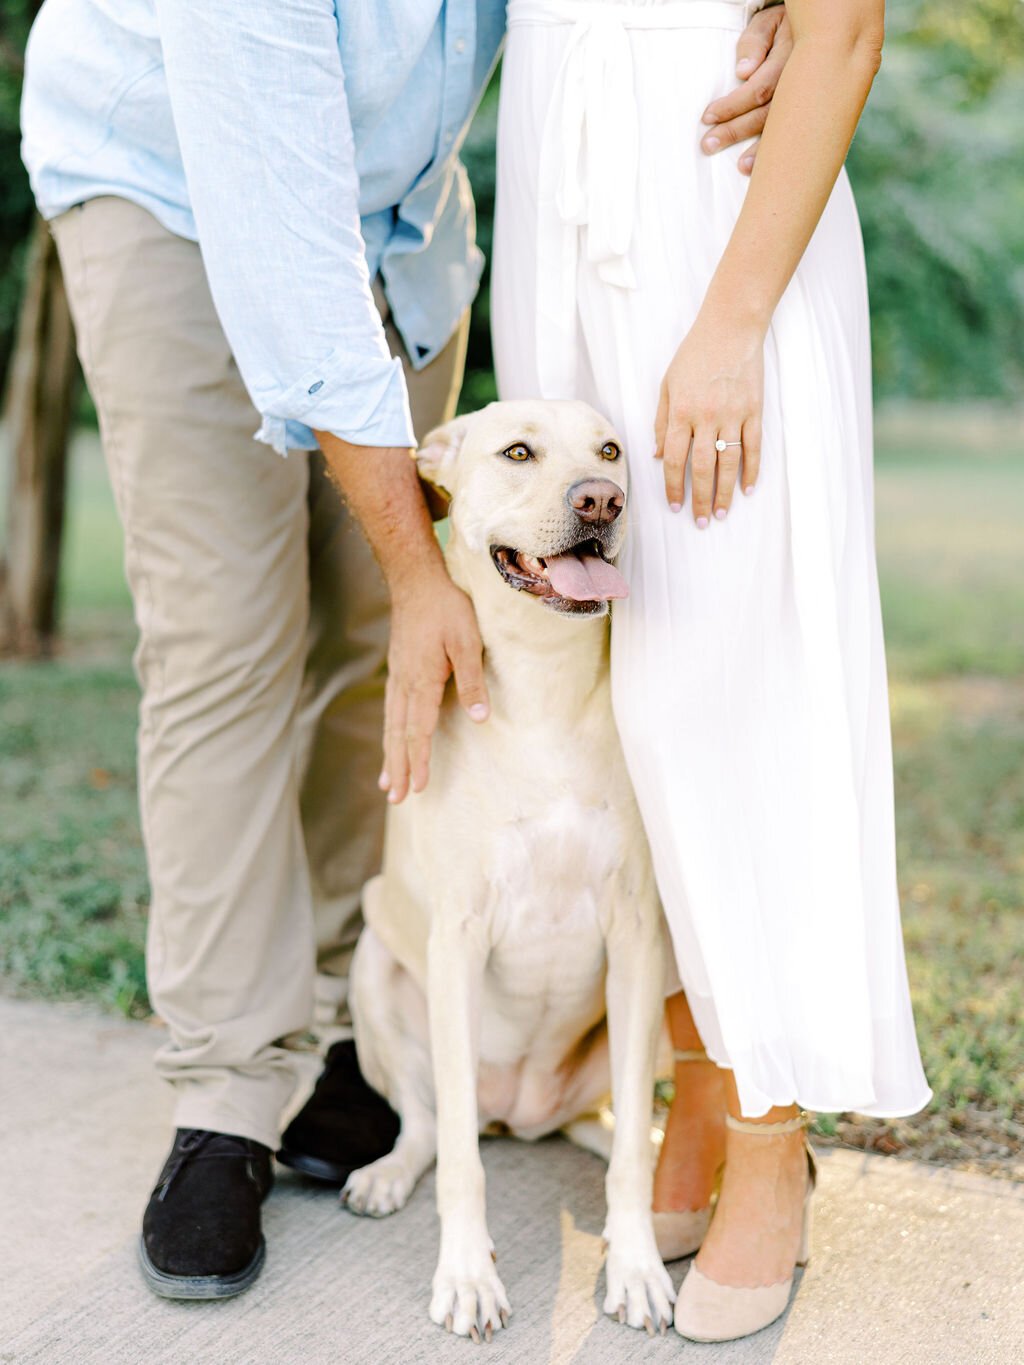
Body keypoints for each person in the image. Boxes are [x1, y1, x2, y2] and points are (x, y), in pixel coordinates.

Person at [19, 0, 795, 1303]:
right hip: (174, 196)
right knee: (230, 644)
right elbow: (280, 237)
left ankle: (339, 1028)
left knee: (382, 653)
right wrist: (414, 556)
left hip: (396, 221)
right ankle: (227, 1090)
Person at [490, 0, 931, 1343]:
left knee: (728, 690)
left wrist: (734, 323)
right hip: (553, 163)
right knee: (610, 673)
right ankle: (690, 1072)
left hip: (712, 205)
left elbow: (842, 28)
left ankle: (769, 1131)